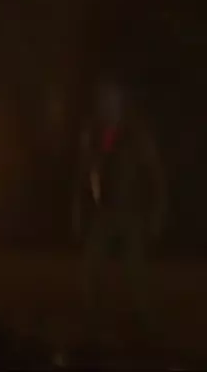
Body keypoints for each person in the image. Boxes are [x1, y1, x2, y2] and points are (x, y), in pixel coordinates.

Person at [71, 77, 167, 342]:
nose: (107, 104)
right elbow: (83, 175)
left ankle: (142, 321)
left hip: (130, 211)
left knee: (135, 271)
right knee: (92, 268)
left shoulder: (136, 136)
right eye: (103, 99)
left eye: (111, 99)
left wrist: (156, 212)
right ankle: (93, 321)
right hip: (103, 212)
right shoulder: (93, 135)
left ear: (121, 103)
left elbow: (155, 175)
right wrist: (78, 210)